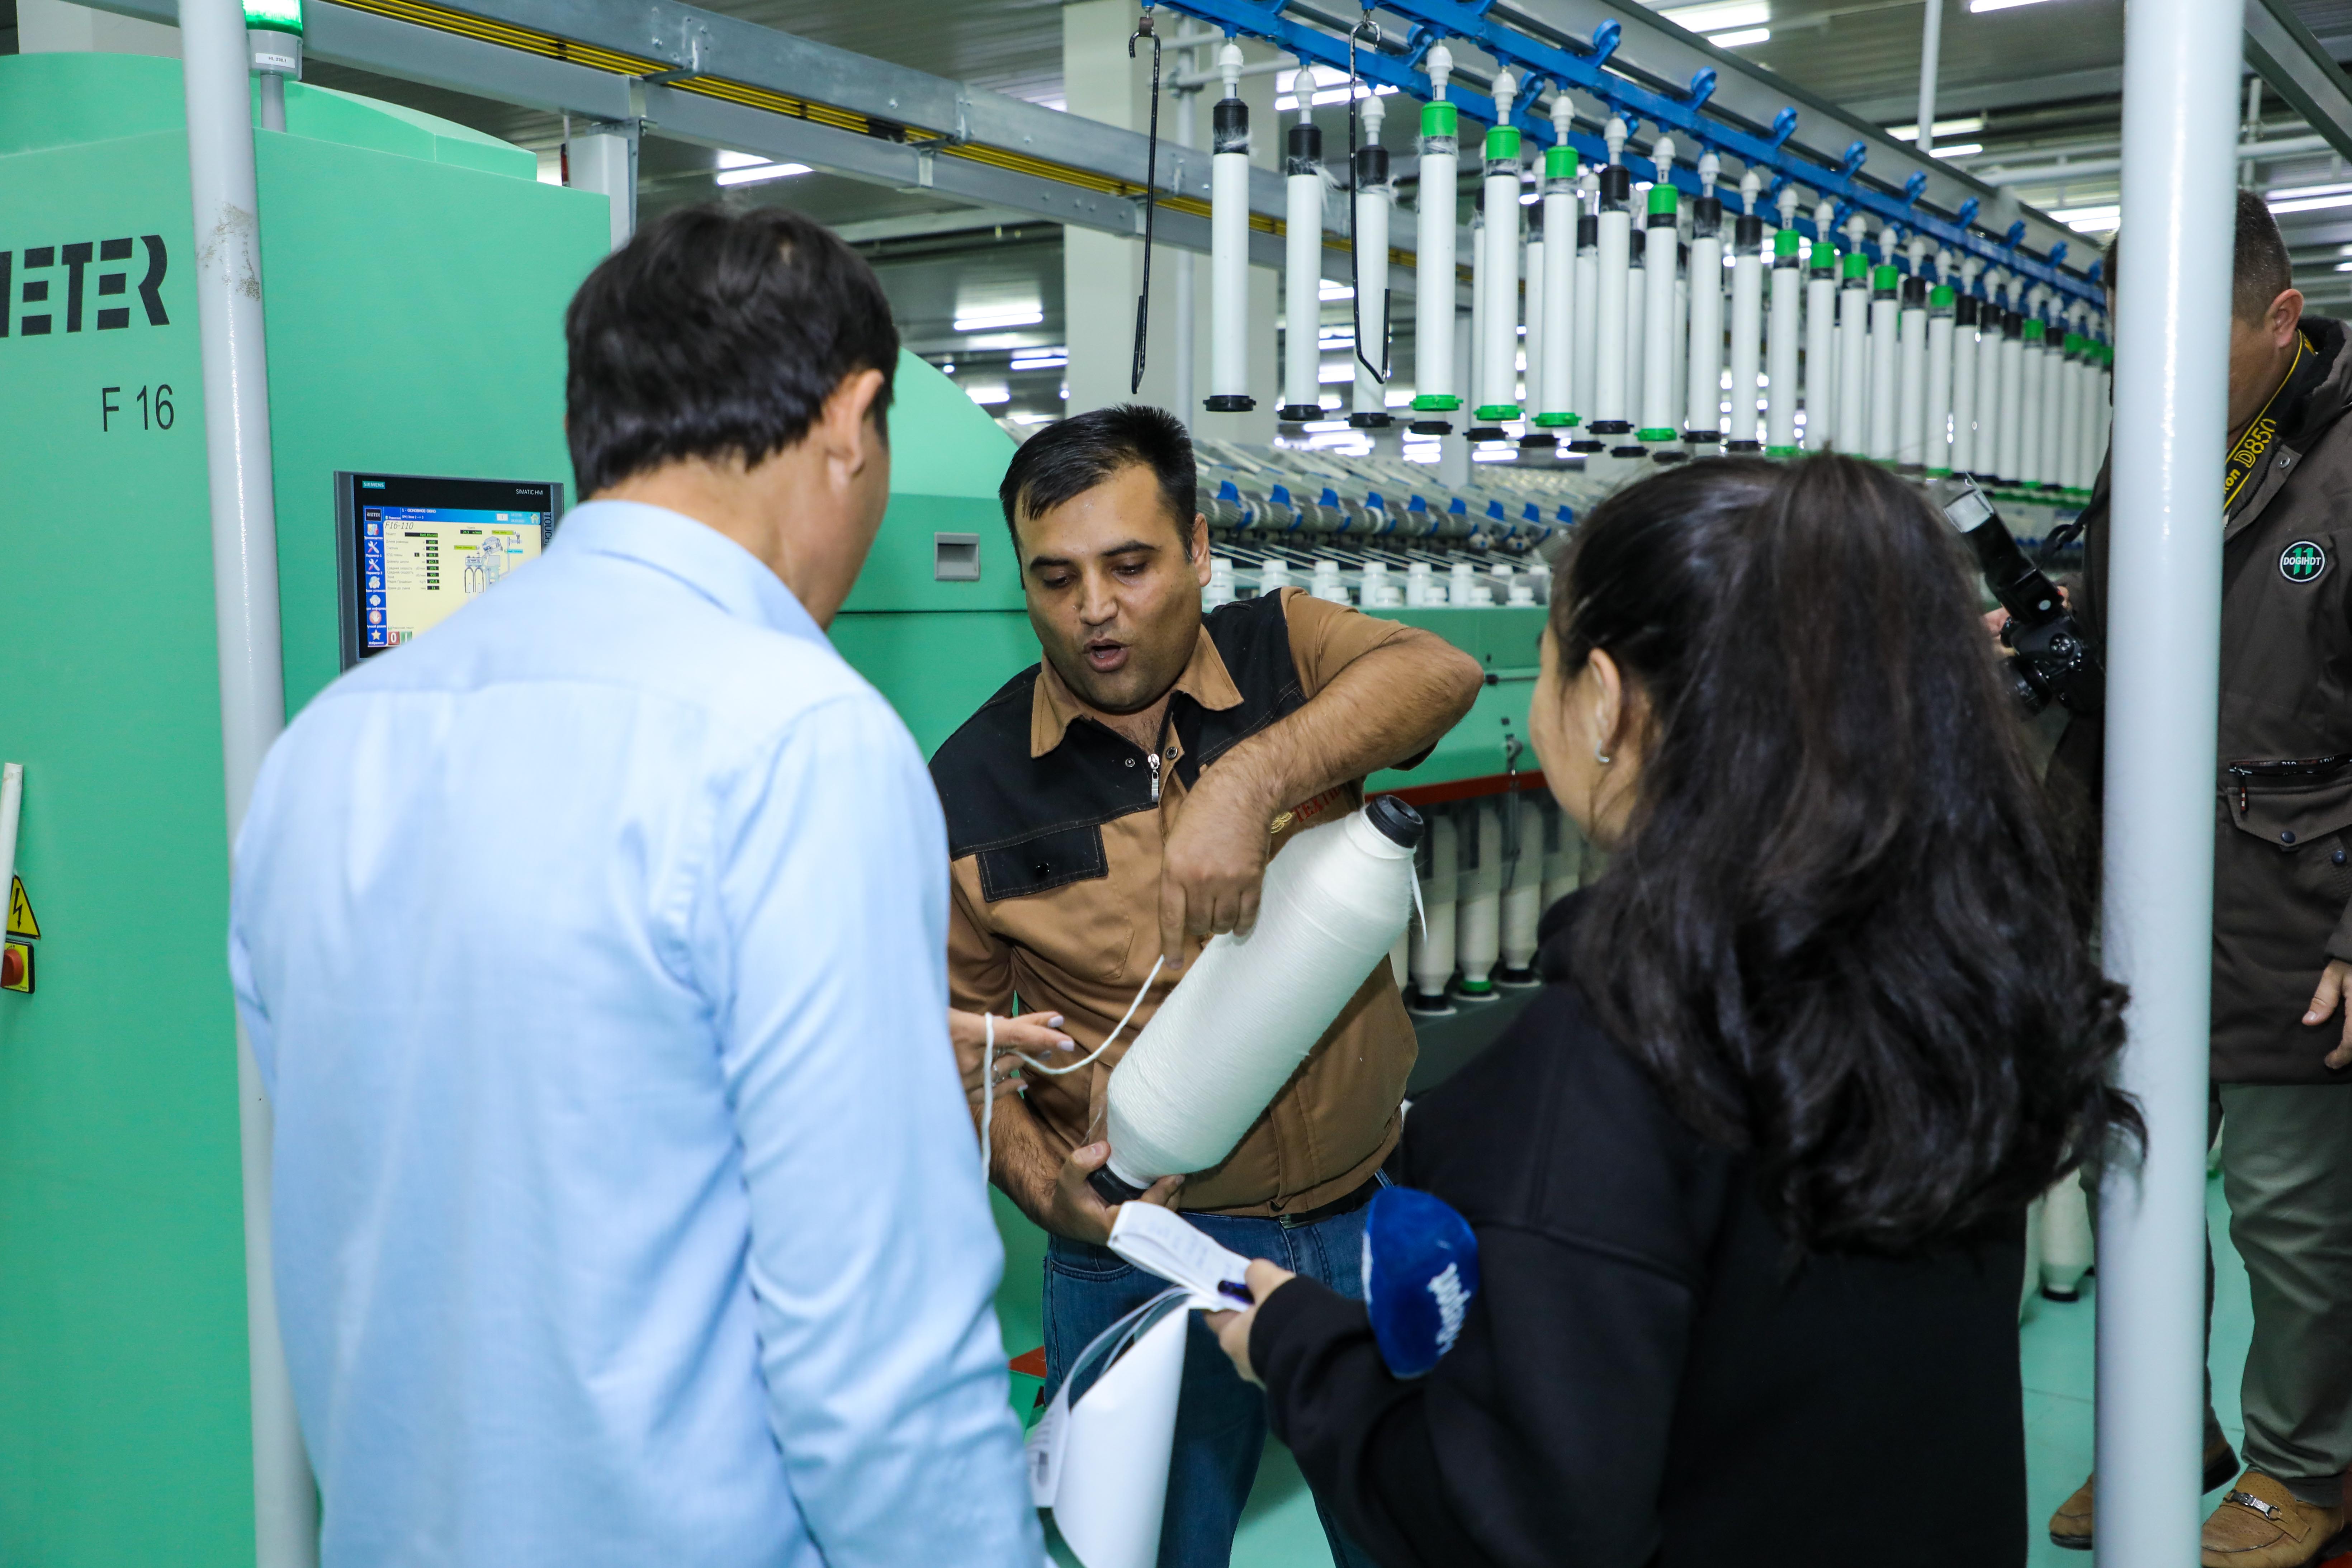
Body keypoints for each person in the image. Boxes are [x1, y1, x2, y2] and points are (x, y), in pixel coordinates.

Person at [228, 207, 1040, 1567]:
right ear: (852, 423)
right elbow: (876, 1373)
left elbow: (427, 1147)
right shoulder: (796, 741)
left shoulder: (328, 749)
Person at [1202, 455, 2140, 1568]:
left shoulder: (1610, 1063)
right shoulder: (1944, 977)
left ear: (1604, 699)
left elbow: (1512, 1527)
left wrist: (1300, 1348)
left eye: (1549, 655)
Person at [929, 403, 1483, 1567]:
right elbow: (959, 1053)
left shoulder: (1286, 653)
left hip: (1361, 1216)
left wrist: (1248, 782)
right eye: (1056, 577)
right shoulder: (973, 788)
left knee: (1417, 1537)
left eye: (1130, 565)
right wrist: (1047, 1196)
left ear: (1196, 549)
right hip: (1141, 1251)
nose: (1095, 608)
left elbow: (1442, 674)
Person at [2039, 191, 2352, 1567]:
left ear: (2281, 319)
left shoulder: (2344, 463)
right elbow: (2138, 643)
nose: (2154, 381)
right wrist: (2055, 640)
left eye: (2186, 347)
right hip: (2140, 890)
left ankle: (2305, 1467)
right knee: (2131, 1177)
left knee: (2292, 1214)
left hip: (2297, 900)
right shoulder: (2158, 438)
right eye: (2135, 348)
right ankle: (2164, 1434)